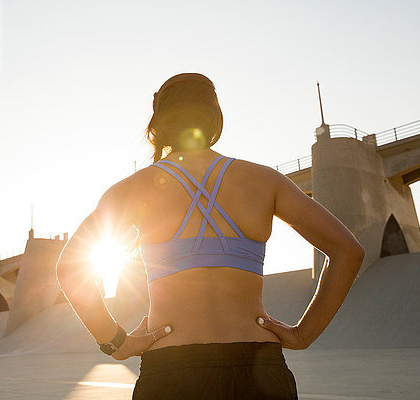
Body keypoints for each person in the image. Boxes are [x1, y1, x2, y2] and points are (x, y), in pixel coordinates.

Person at [55, 72, 365, 399]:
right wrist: (304, 334)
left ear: (157, 122)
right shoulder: (265, 181)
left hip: (171, 369)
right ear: (215, 116)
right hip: (259, 367)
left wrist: (117, 342)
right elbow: (348, 251)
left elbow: (70, 269)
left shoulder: (131, 190)